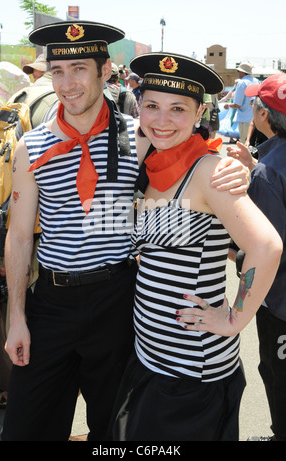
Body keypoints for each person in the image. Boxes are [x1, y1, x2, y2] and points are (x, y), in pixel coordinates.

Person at [1, 20, 251, 442]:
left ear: (105, 73)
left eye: (80, 69)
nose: (67, 84)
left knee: (114, 429)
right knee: (27, 427)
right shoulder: (32, 146)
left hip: (117, 301)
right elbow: (21, 236)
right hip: (51, 304)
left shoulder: (140, 137)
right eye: (57, 72)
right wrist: (16, 318)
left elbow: (194, 152)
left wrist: (234, 164)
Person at [111, 52, 282, 441]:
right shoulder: (151, 160)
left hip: (190, 370)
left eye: (177, 109)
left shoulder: (208, 170)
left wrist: (235, 318)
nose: (162, 119)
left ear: (198, 113)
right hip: (150, 356)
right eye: (152, 106)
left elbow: (267, 247)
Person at [227, 73, 286, 441]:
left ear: (263, 114)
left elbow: (269, 251)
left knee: (279, 380)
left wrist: (235, 255)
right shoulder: (265, 163)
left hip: (280, 305)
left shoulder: (266, 173)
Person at [0, 61, 30, 410]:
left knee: (0, 326)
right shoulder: (12, 128)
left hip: (1, 250)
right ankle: (6, 388)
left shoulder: (11, 130)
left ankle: (13, 391)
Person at [224, 62, 259, 144]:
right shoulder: (257, 81)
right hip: (256, 118)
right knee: (255, 145)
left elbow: (237, 104)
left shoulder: (242, 83)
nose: (238, 73)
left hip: (245, 119)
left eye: (238, 71)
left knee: (245, 145)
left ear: (242, 72)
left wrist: (228, 105)